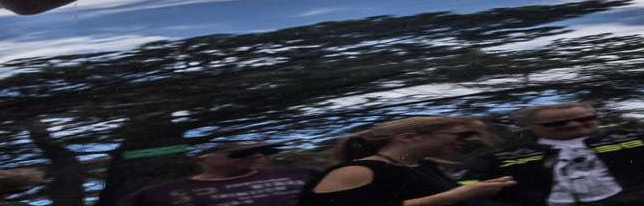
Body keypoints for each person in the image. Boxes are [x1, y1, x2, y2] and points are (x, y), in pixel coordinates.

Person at [461, 103, 644, 206]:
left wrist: (628, 201)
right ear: (523, 127)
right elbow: (460, 191)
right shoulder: (496, 158)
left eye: (585, 119)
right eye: (558, 124)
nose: (574, 125)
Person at [305, 117, 513, 206]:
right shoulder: (355, 171)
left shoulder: (424, 166)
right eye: (463, 135)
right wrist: (452, 196)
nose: (471, 140)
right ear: (408, 136)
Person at [114, 140, 318, 206]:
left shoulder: (305, 174)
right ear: (201, 159)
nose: (258, 155)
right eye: (243, 152)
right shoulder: (154, 195)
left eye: (267, 150)